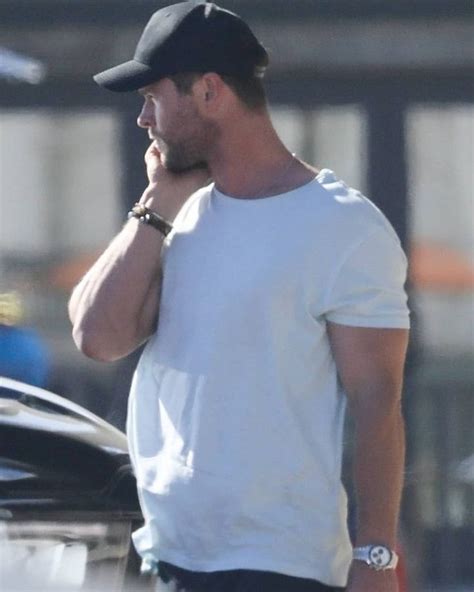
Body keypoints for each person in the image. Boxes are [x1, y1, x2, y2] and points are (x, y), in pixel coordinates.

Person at [69, 2, 410, 591]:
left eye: (152, 98)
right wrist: (157, 204)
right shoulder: (174, 214)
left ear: (208, 91)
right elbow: (97, 338)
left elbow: (378, 404)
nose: (143, 120)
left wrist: (376, 557)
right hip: (168, 559)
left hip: (278, 568)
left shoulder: (343, 227)